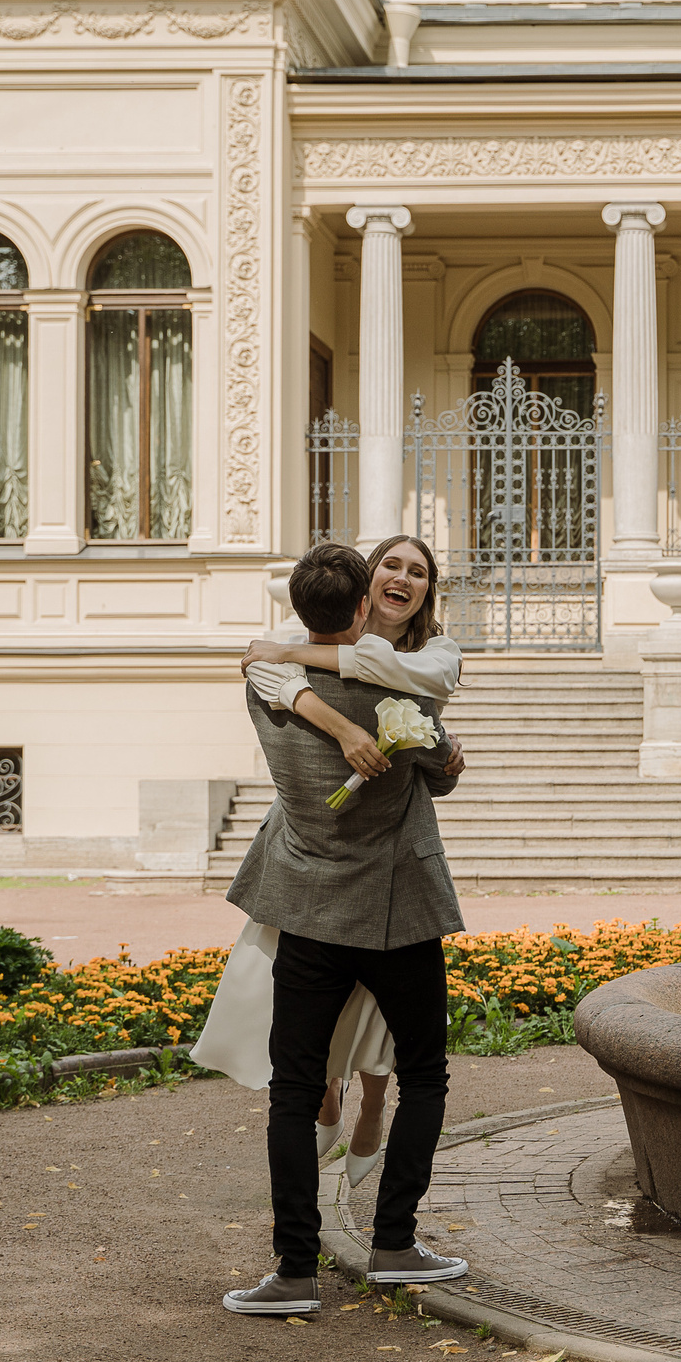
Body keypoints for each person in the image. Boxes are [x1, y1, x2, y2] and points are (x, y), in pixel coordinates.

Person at [221, 543, 471, 1318]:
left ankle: (295, 1270)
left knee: (293, 1092)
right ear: (365, 601)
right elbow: (438, 762)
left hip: (310, 911)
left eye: (415, 571)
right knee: (424, 1074)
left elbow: (278, 664)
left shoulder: (269, 682)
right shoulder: (406, 693)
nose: (401, 583)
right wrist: (444, 751)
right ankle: (395, 1242)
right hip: (400, 914)